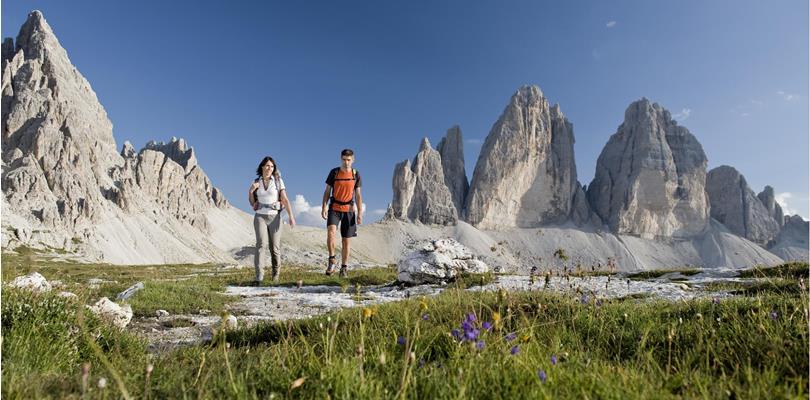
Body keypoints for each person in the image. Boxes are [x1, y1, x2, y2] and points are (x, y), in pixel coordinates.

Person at [249, 156, 295, 283]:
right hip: (260, 216)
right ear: (262, 167)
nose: (270, 168)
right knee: (261, 245)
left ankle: (275, 276)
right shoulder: (256, 181)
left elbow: (284, 199)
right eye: (267, 166)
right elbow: (253, 203)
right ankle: (259, 276)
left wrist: (291, 216)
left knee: (274, 247)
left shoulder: (278, 181)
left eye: (272, 166)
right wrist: (251, 190)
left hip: (275, 216)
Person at [321, 149, 363, 277]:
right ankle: (332, 260)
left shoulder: (356, 174)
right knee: (331, 232)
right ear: (341, 159)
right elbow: (327, 191)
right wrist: (323, 206)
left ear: (353, 160)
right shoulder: (334, 172)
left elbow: (358, 195)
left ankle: (344, 268)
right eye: (344, 159)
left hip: (349, 210)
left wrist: (360, 213)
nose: (346, 162)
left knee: (346, 241)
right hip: (334, 207)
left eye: (349, 160)